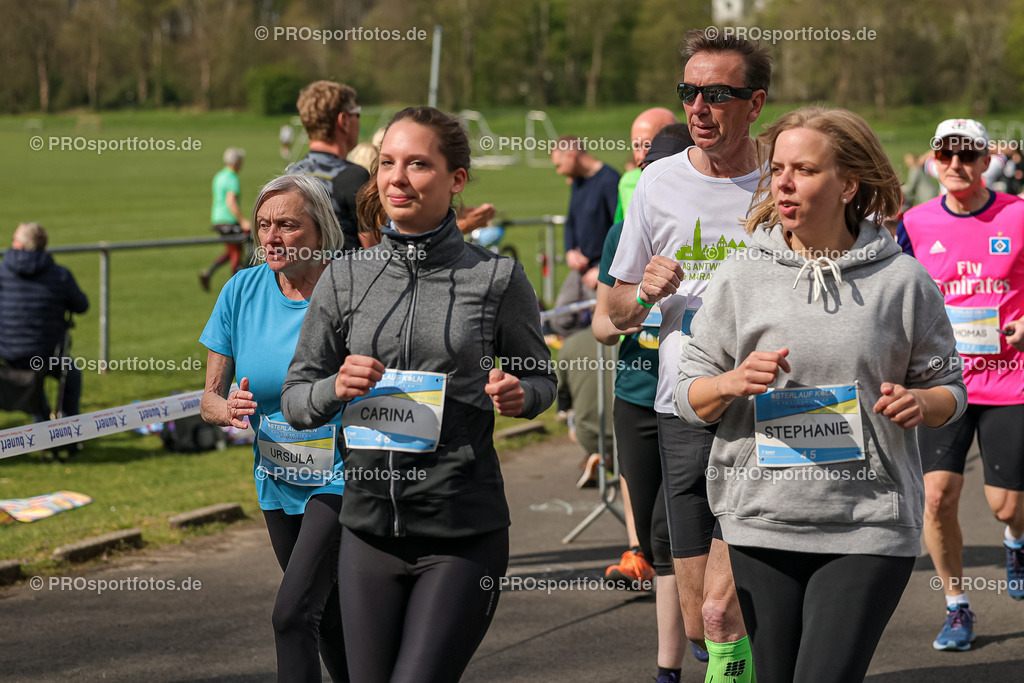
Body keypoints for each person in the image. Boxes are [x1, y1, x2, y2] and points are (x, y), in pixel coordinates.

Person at [674, 106, 966, 682]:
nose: (783, 181)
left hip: (867, 523)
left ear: (847, 184)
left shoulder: (902, 281)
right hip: (762, 519)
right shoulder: (741, 276)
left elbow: (948, 389)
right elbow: (689, 394)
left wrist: (920, 403)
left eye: (803, 169)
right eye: (778, 167)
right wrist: (731, 383)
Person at [281, 106, 556, 683]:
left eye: (417, 164)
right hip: (367, 532)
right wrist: (336, 386)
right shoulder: (345, 276)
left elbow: (541, 380)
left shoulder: (496, 278)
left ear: (456, 179)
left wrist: (518, 394)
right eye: (386, 163)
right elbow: (296, 400)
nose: (397, 178)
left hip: (461, 532)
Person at [607, 29, 769, 682]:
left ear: (754, 103)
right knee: (705, 617)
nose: (698, 107)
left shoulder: (780, 180)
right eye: (689, 92)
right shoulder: (656, 184)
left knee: (735, 603)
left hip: (766, 409)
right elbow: (613, 311)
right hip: (684, 406)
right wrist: (641, 293)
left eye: (717, 94)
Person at [198, 175, 348, 682]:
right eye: (264, 225)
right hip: (276, 480)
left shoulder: (348, 289)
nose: (273, 237)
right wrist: (229, 408)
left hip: (343, 478)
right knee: (325, 617)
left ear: (320, 229)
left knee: (290, 614)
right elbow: (208, 400)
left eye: (288, 224)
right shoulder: (240, 290)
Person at [895, 118, 1024, 651]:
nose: (955, 165)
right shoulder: (915, 222)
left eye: (967, 156)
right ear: (932, 160)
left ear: (984, 161)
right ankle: (957, 607)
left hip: (1010, 380)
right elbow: (891, 287)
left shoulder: (1017, 215)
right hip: (942, 383)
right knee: (937, 496)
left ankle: (1015, 540)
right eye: (945, 155)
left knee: (1005, 504)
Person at [595, 125, 703, 683]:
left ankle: (709, 641)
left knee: (675, 527)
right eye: (644, 170)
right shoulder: (623, 231)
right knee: (660, 538)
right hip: (638, 394)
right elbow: (600, 324)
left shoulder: (713, 219)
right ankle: (670, 666)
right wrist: (641, 302)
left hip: (697, 397)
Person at [0, 222, 88, 422]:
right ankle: (70, 425)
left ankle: (44, 426)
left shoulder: (2, 273)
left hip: (10, 353)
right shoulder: (59, 275)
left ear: (20, 246)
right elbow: (81, 305)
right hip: (48, 354)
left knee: (35, 385)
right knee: (71, 377)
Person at [287, 80, 372, 252]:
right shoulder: (354, 176)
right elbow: (376, 252)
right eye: (357, 113)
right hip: (344, 277)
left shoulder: (289, 175)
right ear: (344, 120)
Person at [549, 135, 620, 338]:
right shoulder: (577, 182)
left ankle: (597, 363)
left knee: (601, 324)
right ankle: (576, 356)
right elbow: (570, 220)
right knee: (559, 318)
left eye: (559, 165)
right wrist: (570, 250)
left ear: (571, 155)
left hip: (602, 270)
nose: (559, 171)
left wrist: (601, 269)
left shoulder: (610, 180)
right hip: (581, 268)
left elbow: (621, 230)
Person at [554, 328, 616, 489]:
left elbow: (562, 396)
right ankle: (609, 460)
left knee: (569, 415)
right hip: (630, 431)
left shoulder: (570, 343)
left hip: (587, 434)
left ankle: (601, 456)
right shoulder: (636, 342)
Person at [615, 108, 679, 223]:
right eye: (636, 146)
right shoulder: (627, 181)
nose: (641, 155)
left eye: (648, 145)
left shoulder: (687, 180)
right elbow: (618, 231)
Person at [200, 148, 250, 291]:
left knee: (231, 250)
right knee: (237, 252)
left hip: (217, 219)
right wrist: (242, 221)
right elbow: (231, 201)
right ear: (236, 163)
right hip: (229, 219)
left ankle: (209, 272)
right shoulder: (232, 178)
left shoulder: (219, 176)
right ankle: (236, 287)